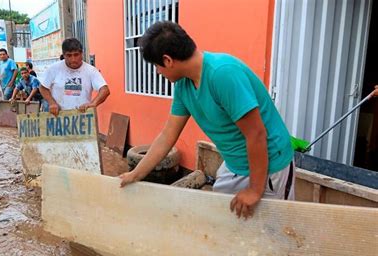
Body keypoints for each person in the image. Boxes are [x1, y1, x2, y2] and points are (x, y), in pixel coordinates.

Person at [119, 22, 295, 219]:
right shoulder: (183, 86)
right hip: (234, 164)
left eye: (157, 66)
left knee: (272, 232)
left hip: (269, 167)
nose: (158, 72)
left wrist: (255, 190)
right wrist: (136, 174)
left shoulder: (223, 74)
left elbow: (256, 134)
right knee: (224, 223)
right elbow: (167, 135)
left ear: (168, 60)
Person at [39, 38, 110, 114]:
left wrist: (93, 103)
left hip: (81, 117)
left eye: (76, 55)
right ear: (64, 55)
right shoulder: (54, 68)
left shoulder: (91, 70)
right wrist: (52, 103)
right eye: (69, 55)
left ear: (81, 54)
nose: (73, 59)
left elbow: (105, 90)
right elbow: (43, 87)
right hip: (59, 116)